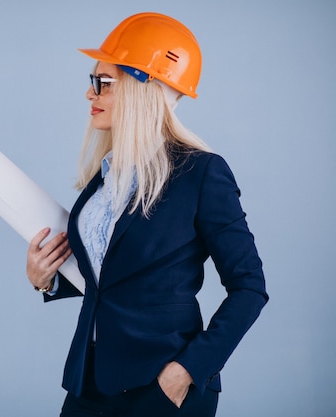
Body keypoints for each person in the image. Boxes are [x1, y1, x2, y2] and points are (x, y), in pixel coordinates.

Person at [26, 12, 268, 417]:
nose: (90, 94)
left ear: (144, 89)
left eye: (103, 83)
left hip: (161, 387)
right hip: (90, 379)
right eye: (92, 82)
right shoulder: (104, 178)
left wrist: (186, 372)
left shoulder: (202, 174)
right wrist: (45, 281)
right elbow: (113, 278)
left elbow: (250, 288)